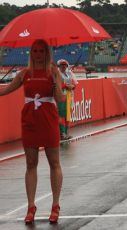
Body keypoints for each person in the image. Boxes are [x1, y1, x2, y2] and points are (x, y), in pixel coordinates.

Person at [0, 39, 64, 224]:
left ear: (47, 53)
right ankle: (31, 206)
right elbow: (6, 90)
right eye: (34, 50)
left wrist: (54, 84)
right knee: (30, 163)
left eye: (41, 51)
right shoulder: (24, 73)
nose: (37, 54)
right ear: (31, 53)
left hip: (48, 118)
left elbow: (60, 98)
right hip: (30, 119)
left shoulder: (53, 72)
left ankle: (55, 205)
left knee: (54, 162)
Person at [57, 59, 78, 140]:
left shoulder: (69, 73)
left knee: (68, 115)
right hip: (61, 96)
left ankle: (66, 132)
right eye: (62, 65)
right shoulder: (57, 74)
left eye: (65, 65)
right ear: (59, 66)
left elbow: (74, 84)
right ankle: (62, 133)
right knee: (61, 115)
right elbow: (57, 85)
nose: (63, 66)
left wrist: (72, 86)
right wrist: (66, 86)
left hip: (69, 96)